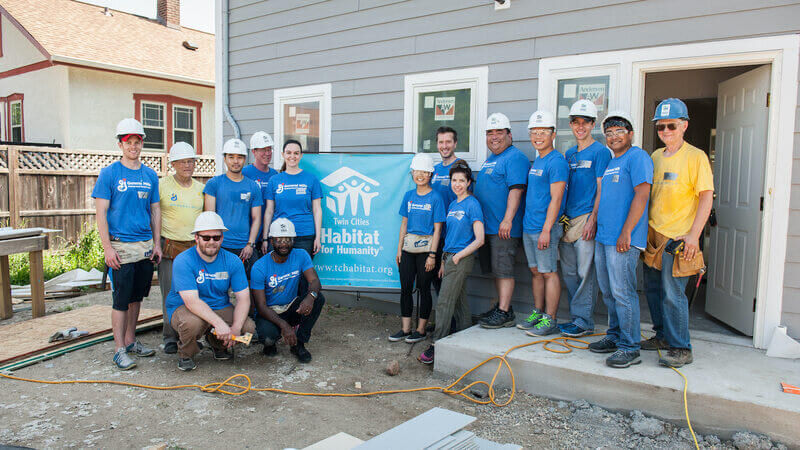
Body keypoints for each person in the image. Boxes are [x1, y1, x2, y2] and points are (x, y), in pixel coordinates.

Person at [641, 98, 713, 368]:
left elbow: (706, 197)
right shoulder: (655, 157)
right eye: (661, 127)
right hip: (654, 235)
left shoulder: (696, 157)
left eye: (671, 125)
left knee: (673, 294)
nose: (666, 131)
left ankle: (681, 347)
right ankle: (662, 336)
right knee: (652, 290)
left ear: (684, 125)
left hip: (679, 238)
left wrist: (695, 235)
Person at [92, 118, 162, 370]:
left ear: (141, 143)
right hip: (120, 246)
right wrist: (107, 248)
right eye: (128, 142)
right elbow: (101, 213)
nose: (133, 146)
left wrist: (157, 244)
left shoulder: (149, 175)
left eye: (137, 141)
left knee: (136, 298)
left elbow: (155, 211)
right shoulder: (109, 174)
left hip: (144, 246)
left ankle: (132, 341)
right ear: (120, 144)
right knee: (120, 300)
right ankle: (119, 349)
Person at [588, 111, 653, 369]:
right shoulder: (612, 161)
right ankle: (614, 336)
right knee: (609, 291)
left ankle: (630, 346)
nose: (614, 136)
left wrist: (626, 231)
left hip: (623, 239)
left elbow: (642, 194)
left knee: (623, 292)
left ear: (631, 134)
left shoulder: (638, 157)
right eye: (609, 133)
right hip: (605, 237)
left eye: (619, 131)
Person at [165, 212, 257, 371]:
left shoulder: (233, 261)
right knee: (192, 323)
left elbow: (243, 299)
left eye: (216, 237)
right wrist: (219, 323)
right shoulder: (183, 260)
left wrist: (235, 327)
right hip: (185, 309)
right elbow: (192, 302)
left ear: (222, 238)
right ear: (196, 238)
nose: (211, 242)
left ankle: (218, 345)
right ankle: (186, 354)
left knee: (248, 328)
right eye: (206, 238)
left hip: (219, 306)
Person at [419, 161, 484, 364]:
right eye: (454, 180)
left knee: (445, 300)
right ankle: (465, 339)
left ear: (468, 183)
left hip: (462, 258)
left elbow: (480, 239)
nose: (457, 184)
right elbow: (450, 236)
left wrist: (457, 257)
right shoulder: (454, 204)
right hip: (449, 257)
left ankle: (437, 345)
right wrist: (445, 261)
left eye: (461, 181)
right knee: (459, 302)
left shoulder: (472, 204)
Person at [557, 100, 611, 338]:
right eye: (576, 122)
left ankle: (584, 321)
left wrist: (593, 219)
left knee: (584, 272)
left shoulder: (600, 152)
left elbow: (602, 189)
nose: (580, 127)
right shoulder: (569, 153)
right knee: (569, 273)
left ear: (592, 125)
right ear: (571, 124)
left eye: (585, 122)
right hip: (567, 220)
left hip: (586, 217)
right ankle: (576, 318)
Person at [474, 113, 531, 328]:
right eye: (490, 133)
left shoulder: (514, 157)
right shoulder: (491, 159)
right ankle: (502, 307)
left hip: (503, 228)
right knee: (497, 270)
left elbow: (516, 190)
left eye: (499, 132)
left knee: (504, 269)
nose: (494, 137)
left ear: (509, 134)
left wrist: (507, 220)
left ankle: (505, 311)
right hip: (488, 228)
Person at [518, 110, 569, 336]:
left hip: (545, 228)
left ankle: (551, 319)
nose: (538, 136)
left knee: (548, 272)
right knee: (536, 271)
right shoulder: (538, 159)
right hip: (530, 225)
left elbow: (556, 198)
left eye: (543, 132)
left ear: (553, 134)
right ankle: (537, 313)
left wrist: (547, 230)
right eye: (534, 132)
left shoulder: (557, 161)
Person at [251, 218, 326, 363]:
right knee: (268, 338)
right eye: (279, 240)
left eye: (288, 239)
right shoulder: (260, 266)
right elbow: (260, 306)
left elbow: (315, 281)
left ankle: (299, 344)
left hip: (291, 307)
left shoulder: (301, 255)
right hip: (269, 311)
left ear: (294, 240)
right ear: (272, 241)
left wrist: (310, 297)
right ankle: (271, 343)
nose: (284, 244)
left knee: (318, 298)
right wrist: (284, 326)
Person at [391, 153, 445, 344]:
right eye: (416, 171)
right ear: (412, 173)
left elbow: (438, 229)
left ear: (431, 174)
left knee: (424, 289)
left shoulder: (436, 197)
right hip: (408, 249)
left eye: (424, 171)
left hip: (426, 251)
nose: (420, 175)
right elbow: (404, 224)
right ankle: (405, 329)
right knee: (406, 288)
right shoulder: (409, 196)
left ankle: (421, 330)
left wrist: (432, 255)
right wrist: (399, 249)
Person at [158, 142, 204, 354]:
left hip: (194, 250)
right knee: (170, 293)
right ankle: (170, 336)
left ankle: (191, 335)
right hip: (170, 247)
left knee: (196, 294)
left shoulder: (200, 190)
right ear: (173, 163)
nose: (187, 165)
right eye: (183, 161)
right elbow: (153, 215)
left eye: (190, 161)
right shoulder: (162, 186)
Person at [203, 138, 262, 275]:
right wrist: (215, 244)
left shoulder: (253, 186)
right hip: (220, 246)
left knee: (252, 286)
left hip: (244, 248)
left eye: (239, 157)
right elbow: (210, 217)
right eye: (231, 157)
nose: (235, 161)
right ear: (225, 159)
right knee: (218, 289)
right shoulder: (214, 184)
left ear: (245, 159)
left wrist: (250, 244)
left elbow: (256, 218)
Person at [264, 140, 322, 259]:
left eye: (296, 153)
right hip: (279, 234)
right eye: (288, 153)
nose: (292, 156)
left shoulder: (311, 179)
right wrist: (265, 237)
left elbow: (317, 210)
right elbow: (269, 211)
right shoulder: (274, 180)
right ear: (283, 154)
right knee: (279, 272)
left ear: (301, 155)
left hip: (304, 234)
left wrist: (318, 237)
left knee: (303, 274)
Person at [430, 126, 460, 294]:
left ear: (455, 144)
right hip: (436, 235)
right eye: (441, 142)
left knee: (450, 284)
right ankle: (445, 320)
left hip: (453, 235)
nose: (444, 145)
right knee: (437, 280)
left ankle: (453, 321)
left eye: (448, 141)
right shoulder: (434, 170)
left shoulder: (460, 166)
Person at [243, 131, 278, 255]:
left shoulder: (275, 175)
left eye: (269, 149)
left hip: (268, 235)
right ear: (254, 151)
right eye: (263, 150)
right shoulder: (244, 173)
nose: (267, 153)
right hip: (248, 235)